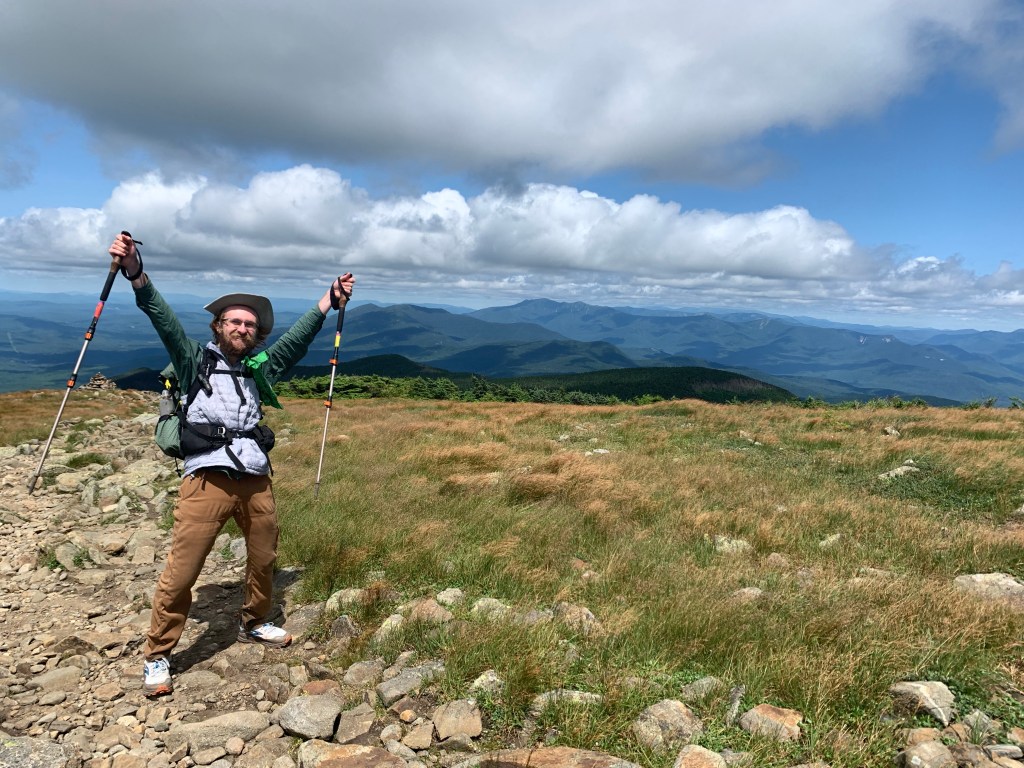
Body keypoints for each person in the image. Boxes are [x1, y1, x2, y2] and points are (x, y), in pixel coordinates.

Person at [107, 232, 355, 697]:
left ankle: (254, 621)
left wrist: (328, 301)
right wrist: (137, 273)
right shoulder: (193, 361)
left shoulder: (260, 367)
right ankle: (158, 654)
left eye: (249, 324)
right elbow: (163, 320)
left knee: (264, 558)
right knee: (185, 568)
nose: (242, 328)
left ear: (256, 333)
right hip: (206, 477)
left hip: (255, 475)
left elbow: (296, 343)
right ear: (218, 326)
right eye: (233, 321)